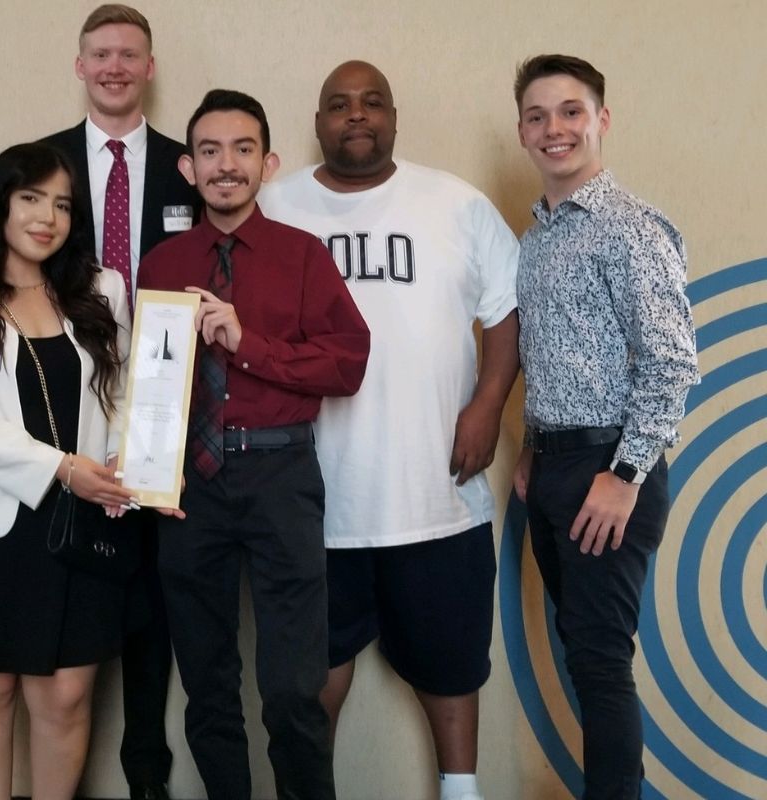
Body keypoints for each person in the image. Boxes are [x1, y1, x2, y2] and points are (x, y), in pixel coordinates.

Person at [260, 61, 519, 800]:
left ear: (394, 117)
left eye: (372, 102)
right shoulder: (274, 206)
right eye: (338, 105)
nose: (356, 115)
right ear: (316, 124)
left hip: (437, 494)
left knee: (453, 665)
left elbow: (506, 312)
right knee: (312, 679)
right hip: (313, 502)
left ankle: (461, 792)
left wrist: (489, 401)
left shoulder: (455, 203)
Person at [138, 89, 370, 800]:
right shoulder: (161, 263)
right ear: (188, 168)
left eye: (242, 150)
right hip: (188, 490)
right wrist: (151, 475)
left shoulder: (302, 257)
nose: (226, 165)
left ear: (267, 162)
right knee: (206, 687)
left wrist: (249, 344)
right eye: (210, 151)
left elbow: (348, 363)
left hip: (280, 475)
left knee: (295, 690)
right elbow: (147, 384)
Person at [0, 142, 138, 800]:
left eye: (63, 204)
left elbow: (121, 394)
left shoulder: (101, 291)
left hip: (84, 519)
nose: (48, 216)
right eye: (32, 198)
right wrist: (63, 467)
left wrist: (127, 458)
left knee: (67, 694)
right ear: (0, 205)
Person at [511, 55, 699, 799]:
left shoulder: (631, 228)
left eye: (569, 111)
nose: (553, 128)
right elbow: (551, 355)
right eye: (536, 115)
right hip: (555, 468)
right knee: (581, 654)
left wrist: (623, 478)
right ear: (522, 130)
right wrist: (530, 446)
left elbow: (672, 364)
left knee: (598, 661)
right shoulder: (540, 233)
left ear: (601, 119)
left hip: (610, 469)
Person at [43, 9, 199, 795]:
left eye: (127, 55)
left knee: (154, 603)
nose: (113, 66)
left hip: (173, 422)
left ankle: (147, 773)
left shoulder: (190, 168)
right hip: (74, 423)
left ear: (148, 66)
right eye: (99, 54)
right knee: (78, 595)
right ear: (80, 66)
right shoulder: (43, 171)